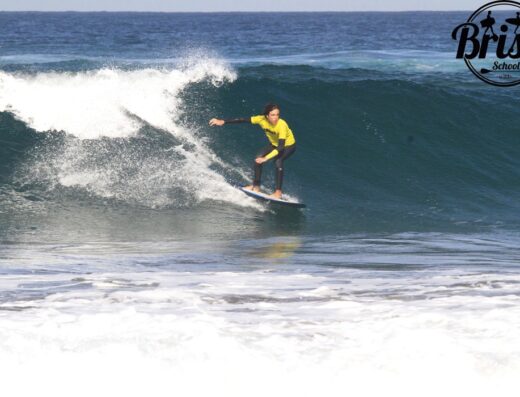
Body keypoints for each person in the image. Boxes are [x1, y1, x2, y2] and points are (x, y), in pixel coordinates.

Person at [209, 103, 296, 199]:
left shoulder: (282, 125)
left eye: (277, 114)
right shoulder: (261, 119)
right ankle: (256, 186)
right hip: (274, 144)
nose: (276, 117)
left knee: (278, 161)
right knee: (257, 158)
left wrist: (266, 158)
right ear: (267, 115)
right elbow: (243, 120)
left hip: (288, 146)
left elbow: (280, 147)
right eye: (273, 115)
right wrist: (223, 121)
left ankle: (278, 192)